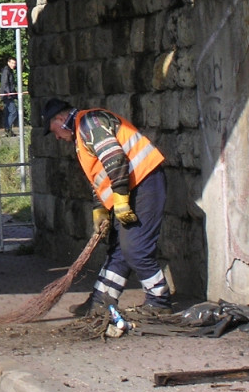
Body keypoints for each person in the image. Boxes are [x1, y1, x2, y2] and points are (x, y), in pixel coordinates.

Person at [39, 98, 173, 317]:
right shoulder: (83, 135)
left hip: (144, 183)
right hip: (132, 185)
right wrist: (100, 207)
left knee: (135, 249)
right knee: (119, 250)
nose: (56, 137)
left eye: (54, 130)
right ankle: (101, 301)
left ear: (61, 119)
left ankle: (159, 302)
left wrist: (120, 198)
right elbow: (99, 176)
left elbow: (116, 160)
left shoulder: (89, 124)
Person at [0, 57, 18, 136]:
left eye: (15, 63)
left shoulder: (9, 71)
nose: (14, 65)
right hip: (7, 95)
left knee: (8, 113)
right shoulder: (6, 71)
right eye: (12, 63)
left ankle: (8, 130)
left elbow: (11, 85)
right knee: (13, 112)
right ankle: (8, 129)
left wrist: (15, 94)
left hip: (8, 95)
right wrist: (9, 93)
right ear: (8, 62)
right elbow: (5, 83)